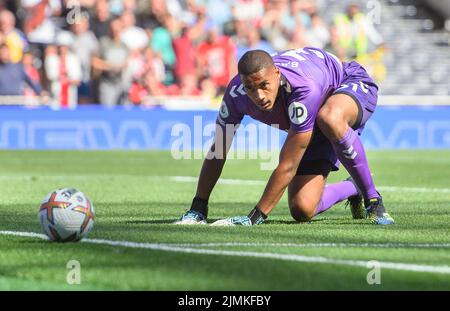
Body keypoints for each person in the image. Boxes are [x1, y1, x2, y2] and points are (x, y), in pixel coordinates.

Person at [175, 47, 394, 226]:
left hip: (348, 83)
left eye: (264, 85)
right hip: (314, 116)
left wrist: (256, 216)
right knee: (302, 209)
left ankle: (373, 200)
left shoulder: (303, 89)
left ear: (277, 75)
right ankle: (352, 187)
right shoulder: (235, 94)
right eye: (250, 88)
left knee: (330, 117)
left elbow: (289, 164)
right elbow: (219, 149)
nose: (259, 95)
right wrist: (198, 208)